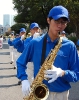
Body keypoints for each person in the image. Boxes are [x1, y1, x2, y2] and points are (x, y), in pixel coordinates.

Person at [16, 5, 79, 100]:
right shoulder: (35, 43)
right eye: (57, 21)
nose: (60, 26)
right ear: (48, 20)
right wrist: (24, 79)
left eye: (63, 22)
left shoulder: (70, 46)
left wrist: (62, 73)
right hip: (38, 93)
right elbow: (20, 63)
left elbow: (76, 74)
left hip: (61, 95)